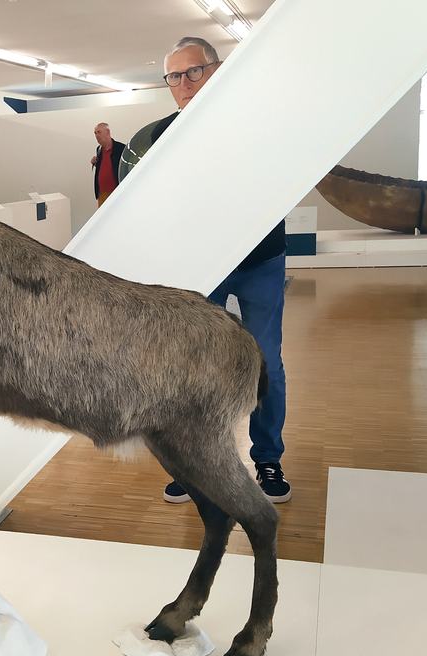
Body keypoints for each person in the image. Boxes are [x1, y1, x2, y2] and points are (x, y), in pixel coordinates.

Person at [119, 37, 291, 505]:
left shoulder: (259, 128)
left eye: (193, 72)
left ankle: (268, 460)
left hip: (260, 260)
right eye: (174, 76)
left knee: (265, 362)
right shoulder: (154, 139)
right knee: (192, 369)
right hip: (199, 269)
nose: (183, 84)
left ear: (216, 71)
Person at [90, 122, 126, 205]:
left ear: (107, 132)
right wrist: (95, 163)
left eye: (99, 132)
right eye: (95, 133)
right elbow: (105, 166)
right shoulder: (99, 149)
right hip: (102, 194)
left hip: (117, 194)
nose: (96, 135)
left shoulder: (121, 148)